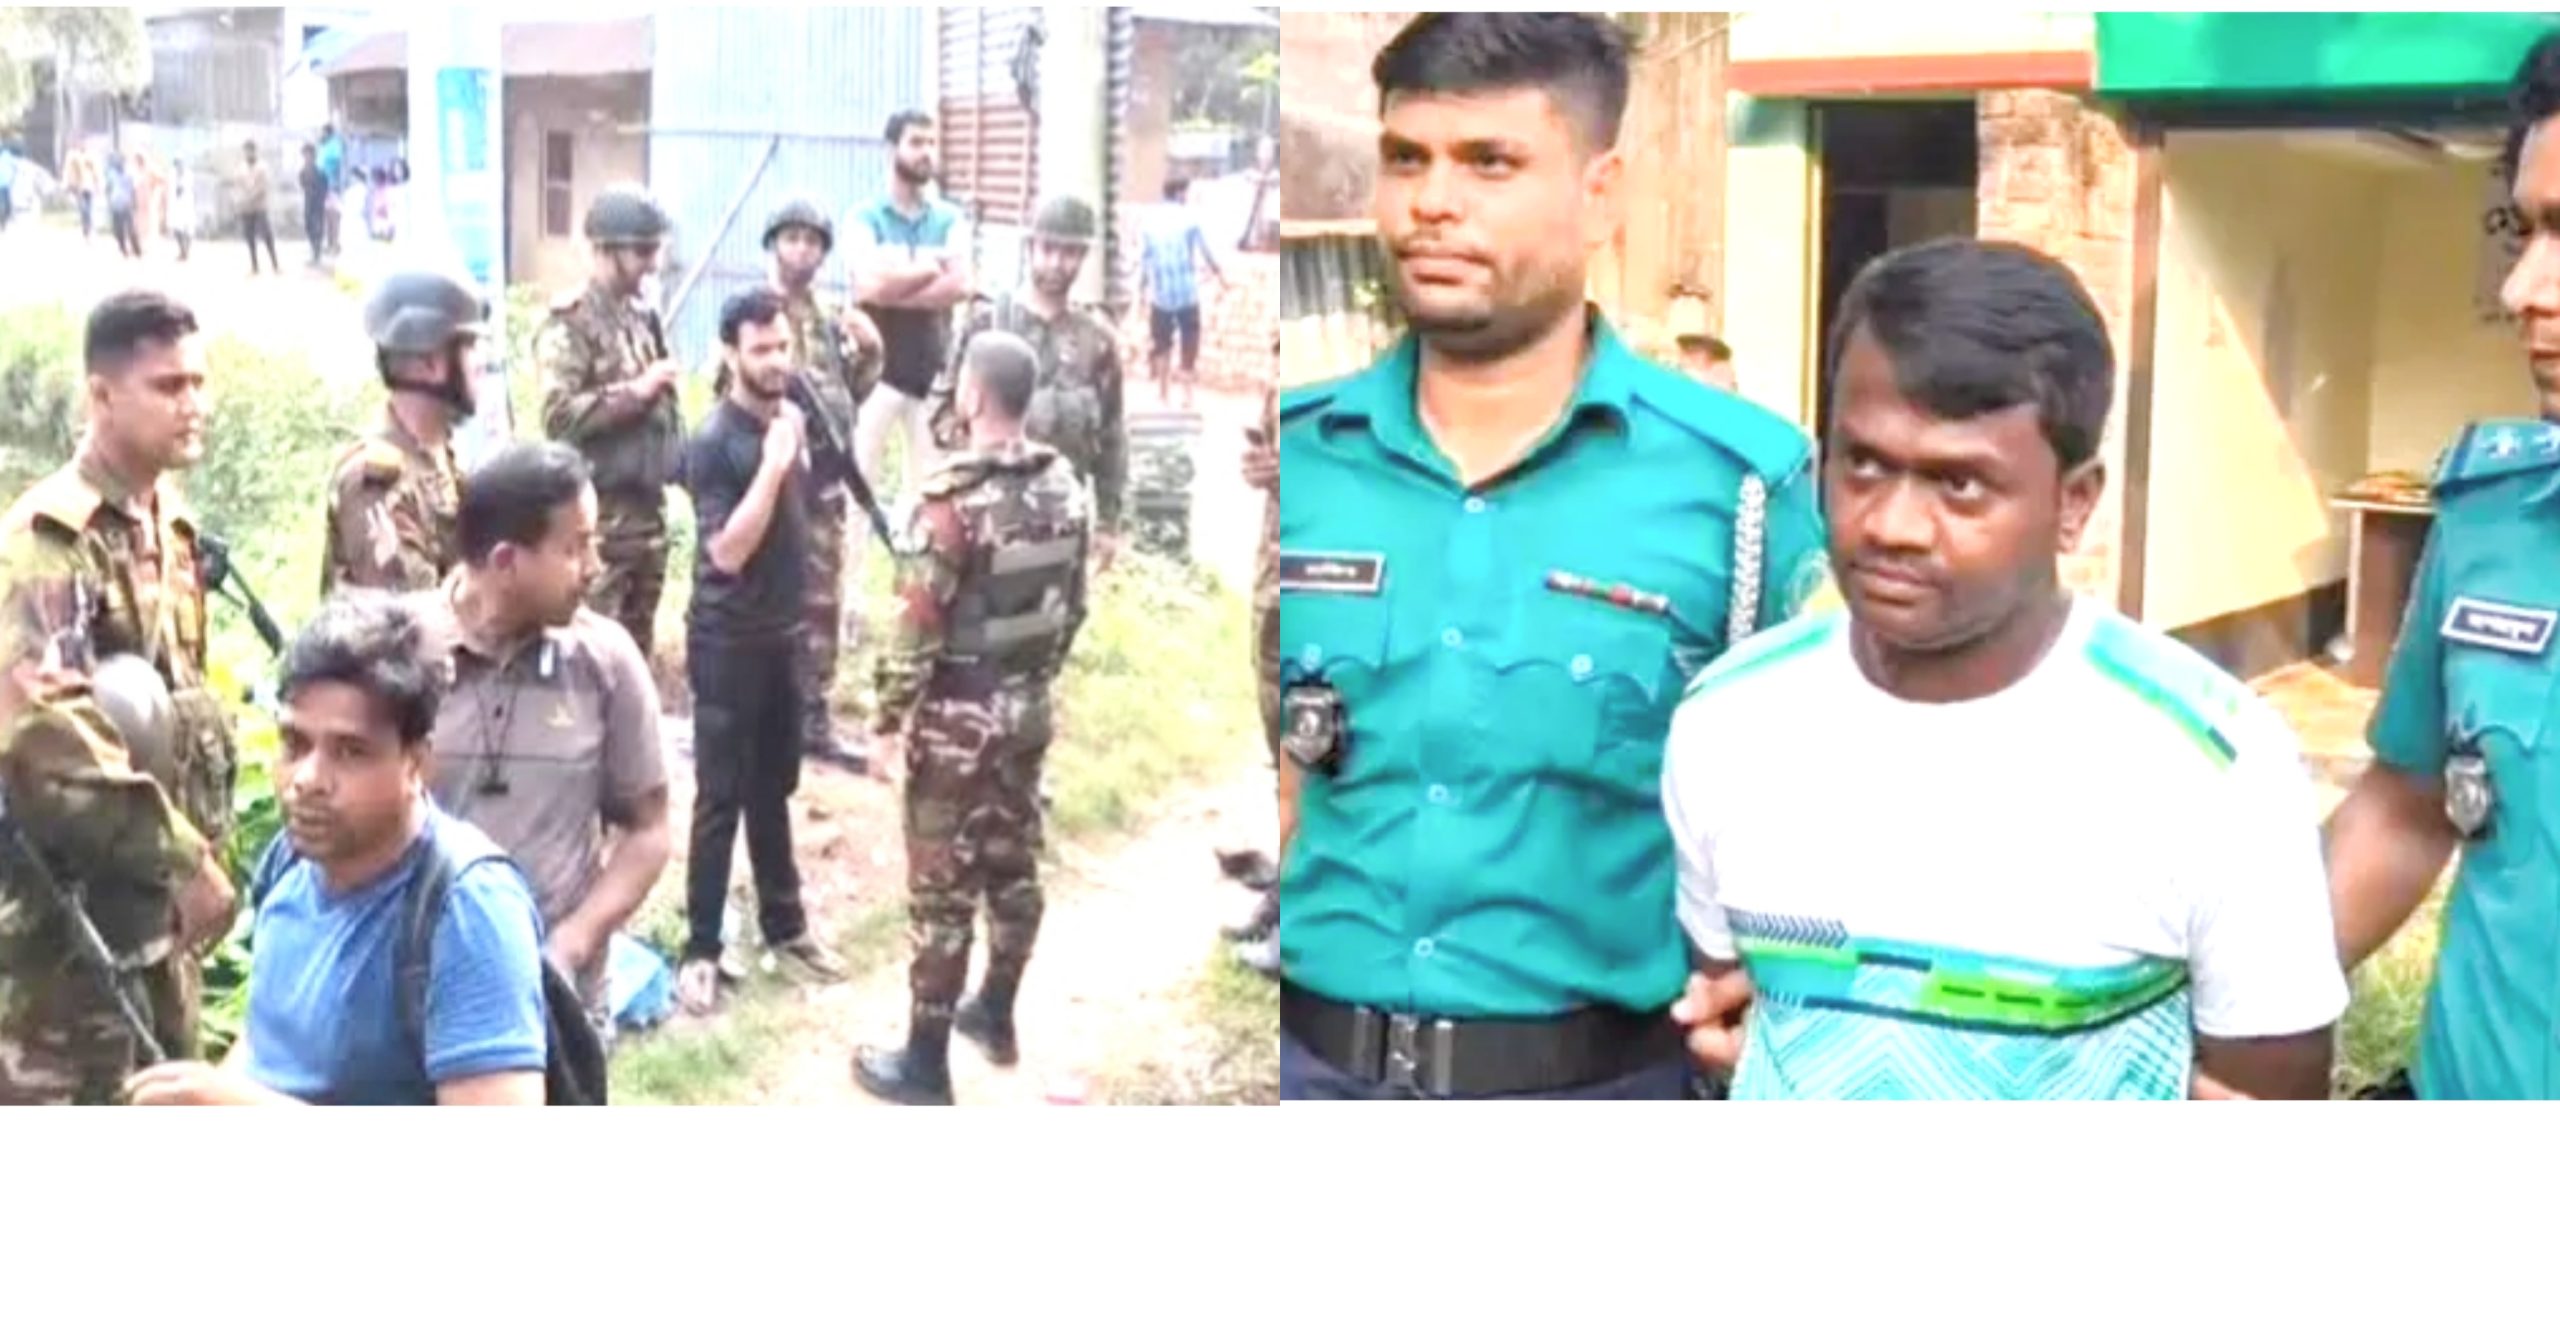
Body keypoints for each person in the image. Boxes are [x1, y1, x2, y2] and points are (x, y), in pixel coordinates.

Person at [1275, 13, 1827, 1101]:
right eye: (1407, 159)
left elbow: (1819, 802)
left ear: (1600, 194)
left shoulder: (1741, 488)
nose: (1433, 202)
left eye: (1490, 163)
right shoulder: (1300, 459)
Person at [1666, 239, 2346, 1101]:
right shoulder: (1728, 721)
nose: (1892, 525)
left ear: (2074, 501)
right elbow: (1735, 1008)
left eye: (1960, 485)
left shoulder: (2210, 761)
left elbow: (2266, 1094)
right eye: (1863, 463)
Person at [2330, 30, 2560, 1101]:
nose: (2522, 288)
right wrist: (2208, 1016)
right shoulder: (2491, 516)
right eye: (2528, 230)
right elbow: (2407, 806)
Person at [123, 594, 550, 1107]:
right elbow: (268, 1046)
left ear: (416, 765)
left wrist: (235, 1107)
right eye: (295, 743)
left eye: (350, 752)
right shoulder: (291, 861)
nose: (307, 779)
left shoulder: (467, 908)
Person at [0, 290, 242, 1104]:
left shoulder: (167, 523)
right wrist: (182, 858)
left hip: (158, 928)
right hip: (67, 942)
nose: (193, 404)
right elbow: (45, 733)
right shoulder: (47, 542)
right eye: (168, 386)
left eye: (199, 382)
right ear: (101, 395)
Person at [854, 331, 1093, 1105]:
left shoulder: (950, 502)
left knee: (942, 887)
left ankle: (924, 1062)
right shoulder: (1066, 486)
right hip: (1027, 709)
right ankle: (995, 1011)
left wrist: (886, 719)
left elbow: (916, 626)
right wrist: (1031, 681)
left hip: (959, 719)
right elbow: (1074, 607)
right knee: (1014, 860)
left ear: (974, 395)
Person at [415, 442, 673, 1046]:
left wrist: (570, 945)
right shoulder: (401, 654)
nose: (595, 566)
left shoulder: (606, 662)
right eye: (575, 547)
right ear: (506, 561)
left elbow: (649, 831)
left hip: (558, 1003)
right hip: (422, 992)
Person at [675, 288, 848, 1015]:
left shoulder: (793, 419)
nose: (777, 361)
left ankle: (786, 925)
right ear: (730, 353)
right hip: (726, 639)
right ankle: (701, 948)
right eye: (761, 349)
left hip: (782, 636)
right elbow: (726, 550)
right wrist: (774, 467)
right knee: (719, 795)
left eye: (783, 346)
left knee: (773, 787)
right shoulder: (714, 442)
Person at [750, 196, 885, 770]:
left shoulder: (830, 319)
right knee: (764, 597)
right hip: (771, 480)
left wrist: (873, 351)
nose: (801, 250)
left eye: (811, 241)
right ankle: (762, 718)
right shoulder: (753, 312)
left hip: (824, 484)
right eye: (792, 238)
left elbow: (849, 393)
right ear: (773, 245)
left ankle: (813, 718)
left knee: (822, 601)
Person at [932, 195, 1128, 569]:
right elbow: (942, 416)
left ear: (1083, 256)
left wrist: (1108, 523)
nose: (1056, 263)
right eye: (1047, 249)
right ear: (1030, 247)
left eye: (1069, 252)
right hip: (989, 523)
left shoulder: (1098, 340)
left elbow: (1112, 437)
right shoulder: (987, 324)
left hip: (1063, 522)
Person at [534, 184, 685, 663]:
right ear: (605, 249)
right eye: (641, 252)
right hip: (597, 529)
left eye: (655, 250)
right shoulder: (570, 324)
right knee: (590, 657)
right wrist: (634, 393)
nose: (652, 264)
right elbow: (557, 416)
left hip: (647, 519)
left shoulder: (642, 320)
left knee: (634, 662)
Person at [847, 109, 971, 624]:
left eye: (931, 143)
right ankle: (849, 606)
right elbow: (867, 286)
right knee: (856, 492)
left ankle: (916, 608)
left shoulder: (950, 219)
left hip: (932, 378)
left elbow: (961, 285)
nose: (926, 153)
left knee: (931, 497)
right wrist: (927, 270)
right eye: (916, 142)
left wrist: (897, 284)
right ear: (892, 149)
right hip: (873, 377)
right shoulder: (865, 217)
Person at [323, 269, 484, 596]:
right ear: (430, 365)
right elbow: (410, 615)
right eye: (470, 346)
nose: (481, 362)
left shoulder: (441, 455)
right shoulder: (373, 482)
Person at [1229, 337, 1283, 977]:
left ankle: (1304, 926)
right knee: (1280, 744)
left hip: (1326, 580)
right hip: (1274, 576)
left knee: (1317, 755)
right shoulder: (1281, 348)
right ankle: (1285, 894)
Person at [1140, 178, 1229, 410]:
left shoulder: (1149, 222)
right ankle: (1187, 395)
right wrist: (1219, 274)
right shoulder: (1190, 219)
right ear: (1180, 193)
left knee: (1162, 344)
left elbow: (1144, 260)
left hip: (1161, 295)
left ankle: (1163, 394)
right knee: (1189, 342)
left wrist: (1141, 291)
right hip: (1187, 293)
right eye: (1185, 193)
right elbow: (1206, 250)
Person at [237, 141, 280, 276]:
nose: (248, 153)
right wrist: (241, 200)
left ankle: (275, 264)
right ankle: (254, 266)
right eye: (246, 151)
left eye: (251, 150)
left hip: (260, 206)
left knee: (267, 235)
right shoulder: (241, 168)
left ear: (255, 151)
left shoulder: (262, 167)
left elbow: (263, 186)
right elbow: (239, 185)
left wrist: (251, 197)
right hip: (246, 207)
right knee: (249, 237)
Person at [296, 143, 327, 268]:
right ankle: (314, 251)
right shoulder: (302, 172)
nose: (307, 157)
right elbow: (302, 185)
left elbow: (325, 187)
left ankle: (316, 254)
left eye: (309, 154)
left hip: (318, 204)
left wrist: (321, 200)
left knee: (317, 229)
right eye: (305, 155)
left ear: (314, 156)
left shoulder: (320, 171)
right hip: (308, 203)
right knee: (308, 227)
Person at [317, 125, 346, 257]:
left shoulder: (334, 145)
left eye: (323, 132)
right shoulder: (323, 146)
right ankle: (329, 244)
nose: (321, 134)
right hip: (322, 186)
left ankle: (335, 244)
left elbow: (335, 164)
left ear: (328, 133)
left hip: (332, 186)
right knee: (327, 217)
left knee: (334, 217)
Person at [104, 152, 139, 259]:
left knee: (131, 229)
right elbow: (108, 188)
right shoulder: (111, 175)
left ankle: (137, 250)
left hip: (126, 204)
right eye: (117, 162)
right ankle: (123, 248)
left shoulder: (129, 174)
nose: (119, 164)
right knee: (118, 229)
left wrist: (134, 202)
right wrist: (109, 202)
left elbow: (133, 189)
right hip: (116, 205)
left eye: (121, 162)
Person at [167, 162, 197, 263]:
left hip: (187, 205)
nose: (178, 167)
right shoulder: (172, 175)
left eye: (179, 164)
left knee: (189, 230)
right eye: (176, 164)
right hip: (176, 206)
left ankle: (186, 251)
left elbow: (188, 188)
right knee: (177, 229)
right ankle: (183, 251)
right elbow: (172, 190)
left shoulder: (189, 175)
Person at [0, 139, 19, 233]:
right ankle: (3, 223)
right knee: (2, 204)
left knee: (7, 205)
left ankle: (5, 221)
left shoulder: (6, 154)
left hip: (6, 184)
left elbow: (14, 166)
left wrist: (13, 177)